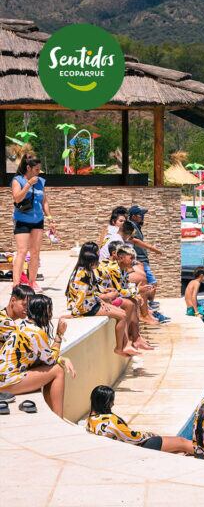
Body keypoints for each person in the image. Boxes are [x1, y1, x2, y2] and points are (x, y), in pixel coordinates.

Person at [0, 294, 75, 417]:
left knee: (48, 369)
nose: (50, 315)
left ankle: (54, 415)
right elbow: (50, 360)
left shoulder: (23, 324)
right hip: (6, 382)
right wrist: (59, 335)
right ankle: (59, 417)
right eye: (49, 311)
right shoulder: (36, 332)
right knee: (58, 370)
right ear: (42, 312)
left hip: (4, 377)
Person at [67, 246, 136, 356]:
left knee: (122, 313)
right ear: (90, 262)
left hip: (91, 303)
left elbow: (91, 291)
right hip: (86, 307)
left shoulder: (86, 271)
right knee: (122, 316)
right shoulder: (83, 275)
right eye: (96, 261)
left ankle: (124, 345)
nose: (98, 263)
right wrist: (76, 314)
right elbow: (81, 296)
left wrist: (102, 296)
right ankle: (119, 348)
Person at [87, 385, 193, 453]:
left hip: (127, 448)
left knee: (176, 448)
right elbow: (132, 437)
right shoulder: (109, 420)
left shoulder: (90, 420)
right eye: (111, 401)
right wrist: (149, 434)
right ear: (105, 402)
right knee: (181, 442)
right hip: (141, 447)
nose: (113, 404)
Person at [11, 155, 56, 291]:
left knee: (35, 252)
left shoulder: (41, 181)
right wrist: (29, 183)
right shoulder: (17, 180)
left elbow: (44, 201)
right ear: (28, 168)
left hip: (38, 220)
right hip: (22, 220)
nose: (39, 172)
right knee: (22, 252)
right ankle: (16, 284)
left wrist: (49, 218)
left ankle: (32, 282)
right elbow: (17, 198)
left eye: (39, 169)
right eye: (36, 169)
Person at [128, 206, 164, 319]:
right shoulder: (132, 226)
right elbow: (136, 241)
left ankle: (149, 306)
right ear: (133, 216)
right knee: (152, 283)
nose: (142, 216)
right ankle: (149, 308)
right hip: (140, 260)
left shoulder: (136, 226)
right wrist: (154, 249)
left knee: (150, 284)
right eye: (140, 215)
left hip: (142, 259)